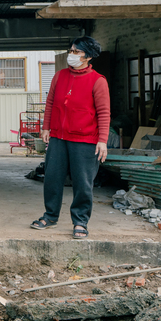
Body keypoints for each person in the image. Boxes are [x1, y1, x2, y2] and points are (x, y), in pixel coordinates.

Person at [31, 36, 110, 240]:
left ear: (88, 56)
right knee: (52, 178)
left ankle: (80, 222)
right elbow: (50, 104)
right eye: (71, 51)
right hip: (58, 137)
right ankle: (50, 216)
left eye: (77, 52)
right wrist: (46, 127)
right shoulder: (60, 76)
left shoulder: (98, 81)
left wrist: (102, 140)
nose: (71, 55)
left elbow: (103, 112)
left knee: (82, 183)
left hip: (85, 140)